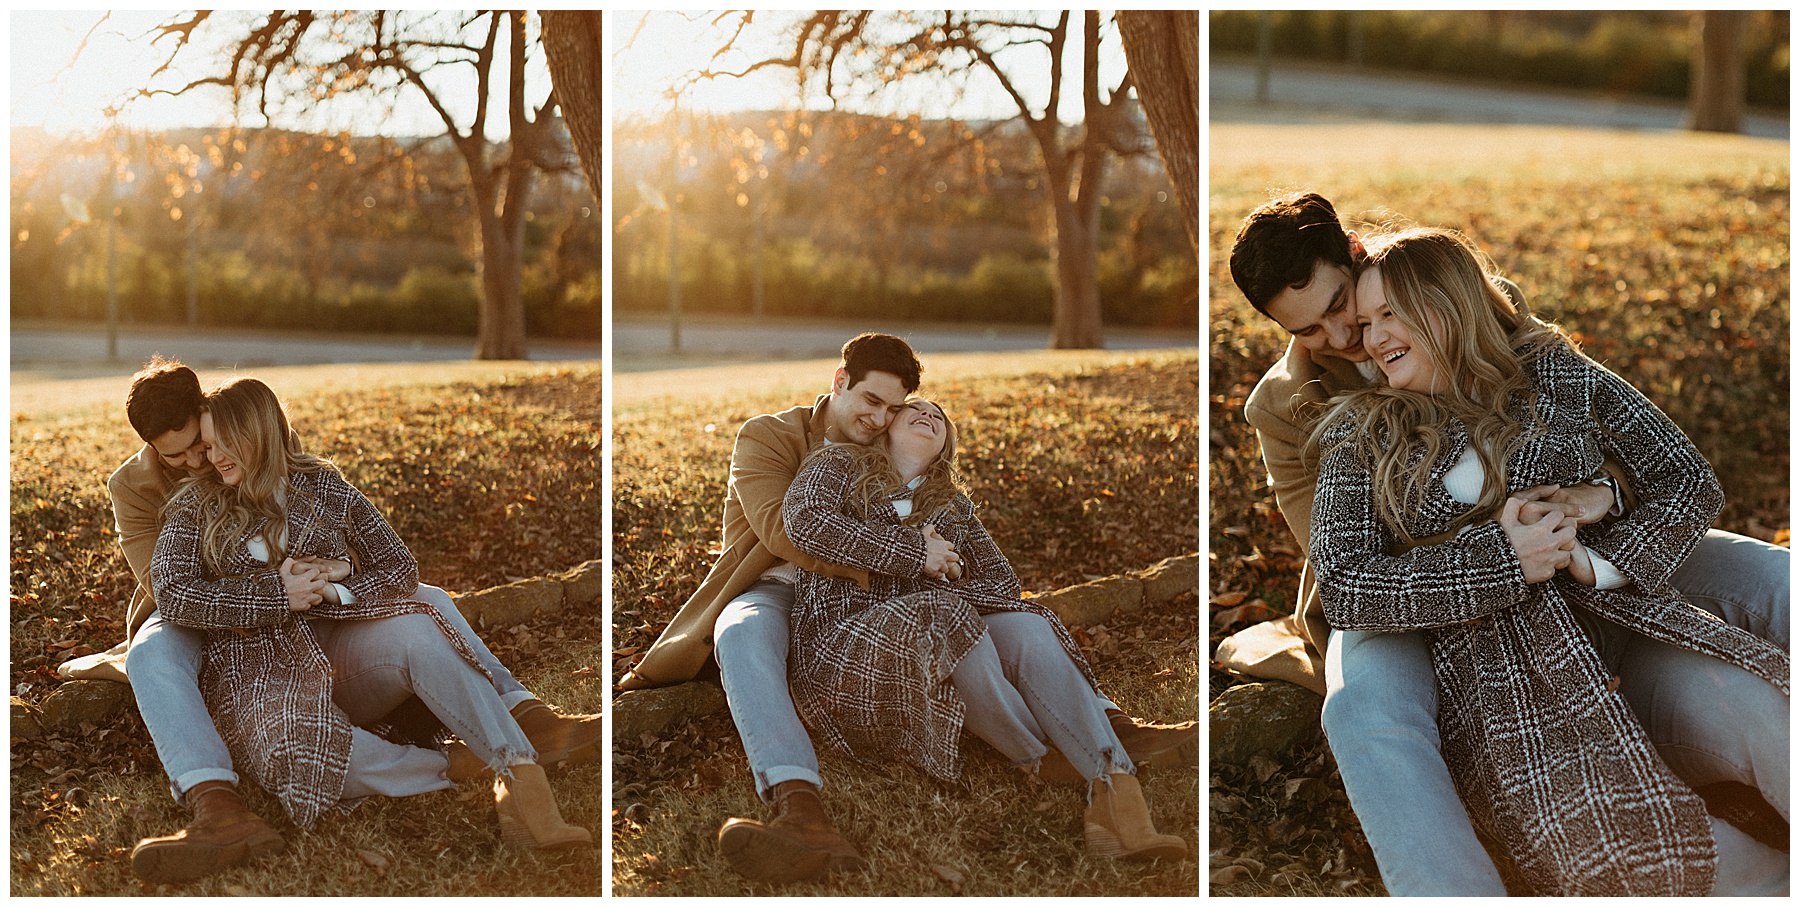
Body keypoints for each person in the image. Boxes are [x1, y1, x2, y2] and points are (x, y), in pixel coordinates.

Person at [1214, 193, 1790, 894]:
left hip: (1567, 540)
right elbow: (1347, 562)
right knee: (1364, 706)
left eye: (1343, 303)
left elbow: (1591, 433)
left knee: (1765, 574)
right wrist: (1499, 550)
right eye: (1310, 329)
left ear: (1355, 251)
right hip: (1410, 592)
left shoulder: (1467, 301)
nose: (1345, 335)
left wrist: (1596, 496)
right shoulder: (1294, 412)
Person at [617, 333, 1195, 883]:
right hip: (772, 580)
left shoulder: (902, 462)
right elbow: (784, 532)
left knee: (1019, 621)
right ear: (840, 380)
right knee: (740, 633)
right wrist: (912, 555)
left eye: (892, 410)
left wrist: (936, 566)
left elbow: (988, 579)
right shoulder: (771, 435)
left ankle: (1109, 737)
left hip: (884, 597)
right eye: (870, 401)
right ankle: (798, 805)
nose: (878, 419)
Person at [77, 359, 600, 882]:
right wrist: (275, 591)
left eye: (208, 444)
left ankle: (524, 755)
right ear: (154, 448)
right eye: (184, 454)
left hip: (317, 620)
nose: (201, 460)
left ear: (229, 423)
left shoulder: (301, 469)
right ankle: (216, 805)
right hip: (205, 625)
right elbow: (170, 590)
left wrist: (336, 578)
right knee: (158, 657)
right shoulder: (168, 498)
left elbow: (368, 547)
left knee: (426, 607)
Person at [782, 398, 1185, 861]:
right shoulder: (837, 464)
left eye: (939, 416)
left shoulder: (951, 506)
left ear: (946, 445)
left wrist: (941, 576)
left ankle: (1114, 791)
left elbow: (1002, 583)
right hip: (841, 648)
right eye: (915, 408)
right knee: (944, 612)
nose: (929, 415)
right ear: (887, 424)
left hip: (934, 628)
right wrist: (917, 554)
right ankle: (1037, 754)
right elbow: (807, 522)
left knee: (1026, 623)